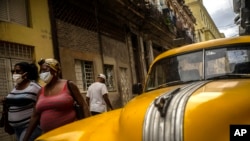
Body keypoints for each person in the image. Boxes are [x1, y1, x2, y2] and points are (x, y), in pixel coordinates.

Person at [23, 58, 91, 141]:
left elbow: (83, 105)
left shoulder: (69, 85)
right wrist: (25, 138)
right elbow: (35, 116)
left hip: (69, 134)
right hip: (48, 136)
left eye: (45, 70)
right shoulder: (41, 91)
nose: (42, 74)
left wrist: (89, 127)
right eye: (41, 71)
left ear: (55, 70)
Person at [4, 62, 42, 141]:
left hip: (29, 128)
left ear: (26, 73)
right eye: (13, 71)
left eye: (18, 71)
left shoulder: (34, 87)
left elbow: (40, 107)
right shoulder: (16, 87)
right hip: (16, 128)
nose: (14, 74)